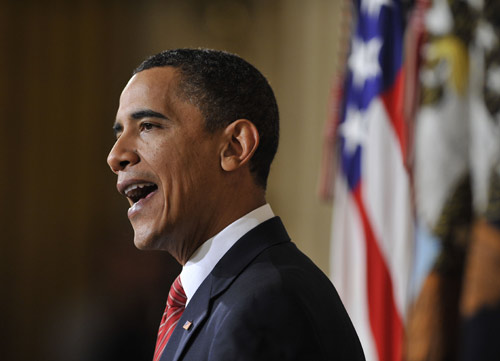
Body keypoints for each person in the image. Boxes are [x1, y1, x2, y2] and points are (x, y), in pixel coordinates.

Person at [107, 48, 365, 361]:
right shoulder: (230, 293)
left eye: (148, 125)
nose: (116, 155)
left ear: (234, 147)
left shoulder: (265, 304)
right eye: (120, 132)